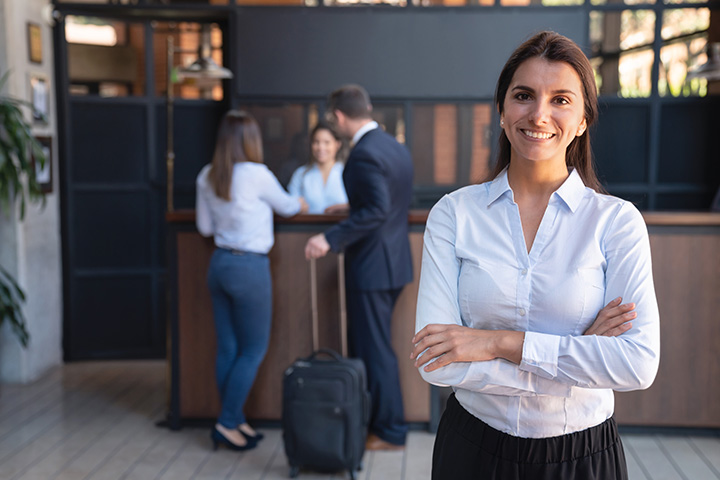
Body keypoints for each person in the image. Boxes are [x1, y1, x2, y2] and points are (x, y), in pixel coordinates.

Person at [412, 31, 660, 479]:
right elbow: (438, 364)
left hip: (583, 456)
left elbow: (637, 364)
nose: (539, 114)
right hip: (473, 448)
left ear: (583, 120)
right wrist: (581, 353)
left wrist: (494, 342)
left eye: (561, 99)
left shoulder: (616, 223)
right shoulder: (454, 214)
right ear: (503, 111)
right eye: (524, 95)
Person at [304, 84, 414, 451]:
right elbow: (385, 204)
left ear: (338, 117)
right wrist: (350, 210)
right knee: (377, 347)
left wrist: (330, 238)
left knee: (374, 351)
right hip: (393, 263)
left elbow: (378, 210)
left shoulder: (364, 154)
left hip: (371, 268)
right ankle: (384, 425)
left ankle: (389, 431)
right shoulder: (393, 146)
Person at [196, 110, 308, 452]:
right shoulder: (257, 174)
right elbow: (289, 207)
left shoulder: (207, 174)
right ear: (251, 140)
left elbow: (204, 229)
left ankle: (234, 417)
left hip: (219, 265)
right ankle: (227, 422)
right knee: (253, 349)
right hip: (249, 268)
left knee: (229, 347)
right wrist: (301, 201)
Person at [288, 121, 349, 214]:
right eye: (316, 142)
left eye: (327, 142)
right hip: (307, 227)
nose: (321, 147)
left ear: (337, 144)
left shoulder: (348, 172)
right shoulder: (301, 174)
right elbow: (291, 205)